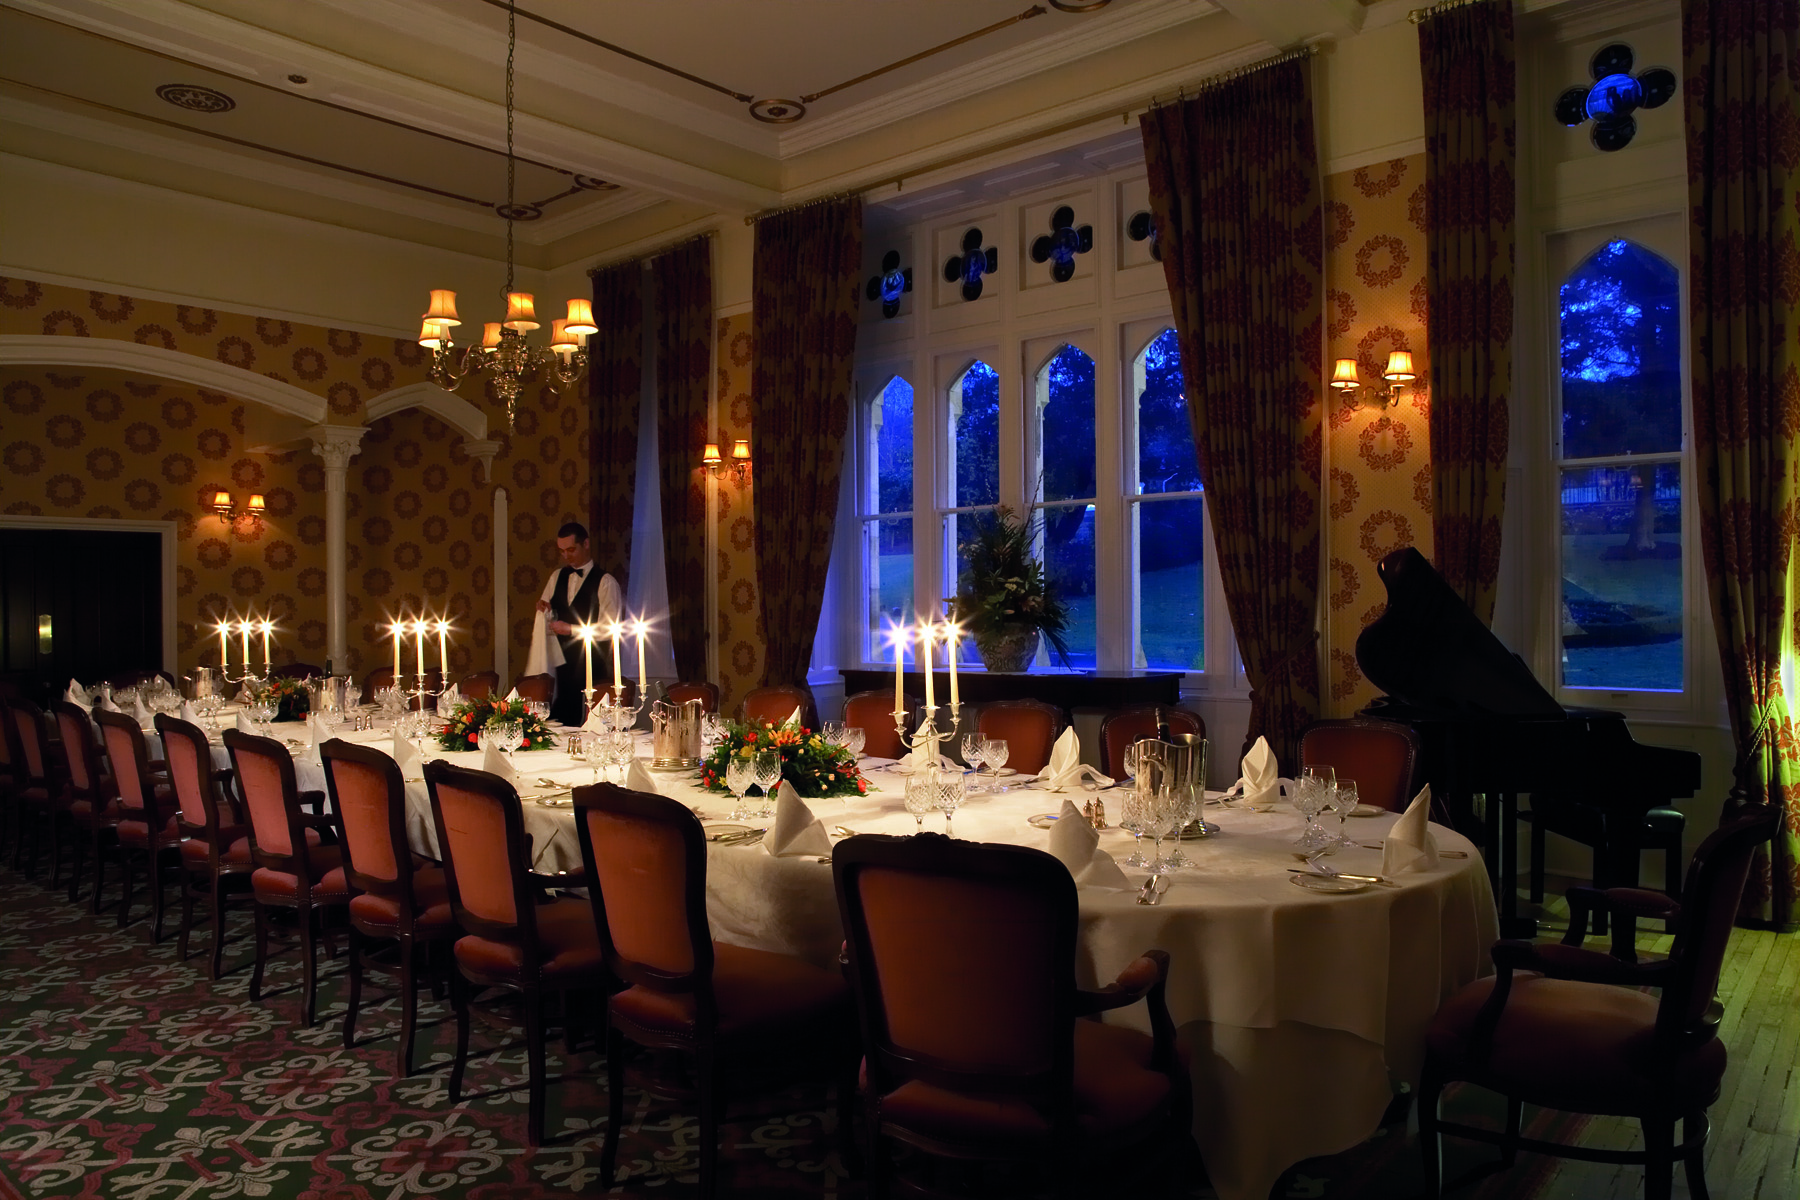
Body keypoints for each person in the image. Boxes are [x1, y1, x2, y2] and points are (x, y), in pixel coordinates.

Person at [526, 522, 622, 725]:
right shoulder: (556, 577)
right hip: (561, 671)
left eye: (571, 550)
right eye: (562, 551)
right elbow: (548, 616)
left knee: (591, 726)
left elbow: (610, 629)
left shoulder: (606, 582)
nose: (566, 556)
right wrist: (544, 611)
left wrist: (571, 629)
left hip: (593, 669)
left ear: (585, 544)